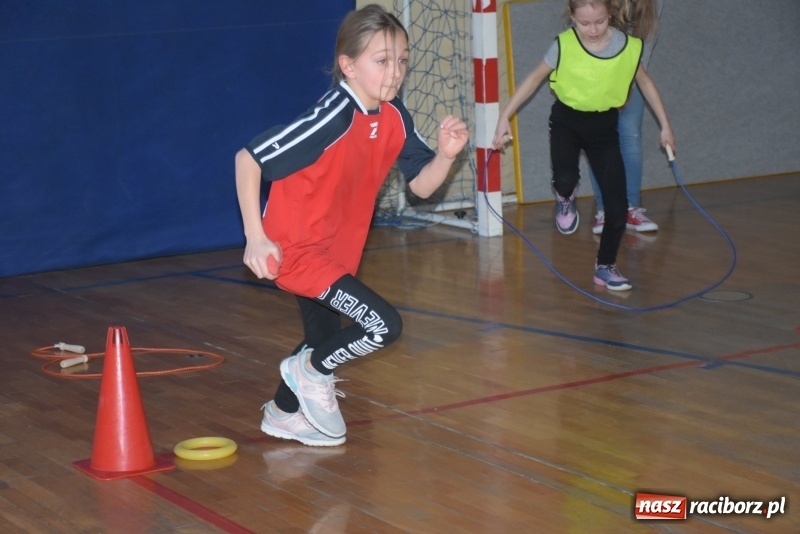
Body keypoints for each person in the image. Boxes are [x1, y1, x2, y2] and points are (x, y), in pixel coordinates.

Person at [235, 4, 469, 446]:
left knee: (322, 338)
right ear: (348, 65)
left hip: (336, 252)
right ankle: (309, 372)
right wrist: (255, 237)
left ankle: (284, 413)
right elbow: (248, 159)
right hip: (296, 251)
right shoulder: (333, 116)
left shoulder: (394, 116)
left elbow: (420, 186)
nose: (394, 72)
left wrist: (445, 156)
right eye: (382, 61)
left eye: (402, 60)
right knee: (383, 327)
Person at [492, 0, 674, 291]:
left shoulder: (627, 46)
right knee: (565, 178)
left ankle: (605, 267)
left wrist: (665, 125)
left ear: (610, 16)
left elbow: (646, 83)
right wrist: (505, 117)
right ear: (572, 17)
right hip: (566, 123)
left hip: (604, 129)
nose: (592, 29)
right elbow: (534, 78)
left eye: (599, 22)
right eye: (584, 23)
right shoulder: (564, 45)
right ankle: (566, 197)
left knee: (617, 208)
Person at [589, 0, 664, 235]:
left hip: (632, 75)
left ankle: (630, 208)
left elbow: (644, 48)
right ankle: (605, 210)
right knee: (599, 141)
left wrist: (628, 83)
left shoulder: (651, 6)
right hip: (596, 78)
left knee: (630, 138)